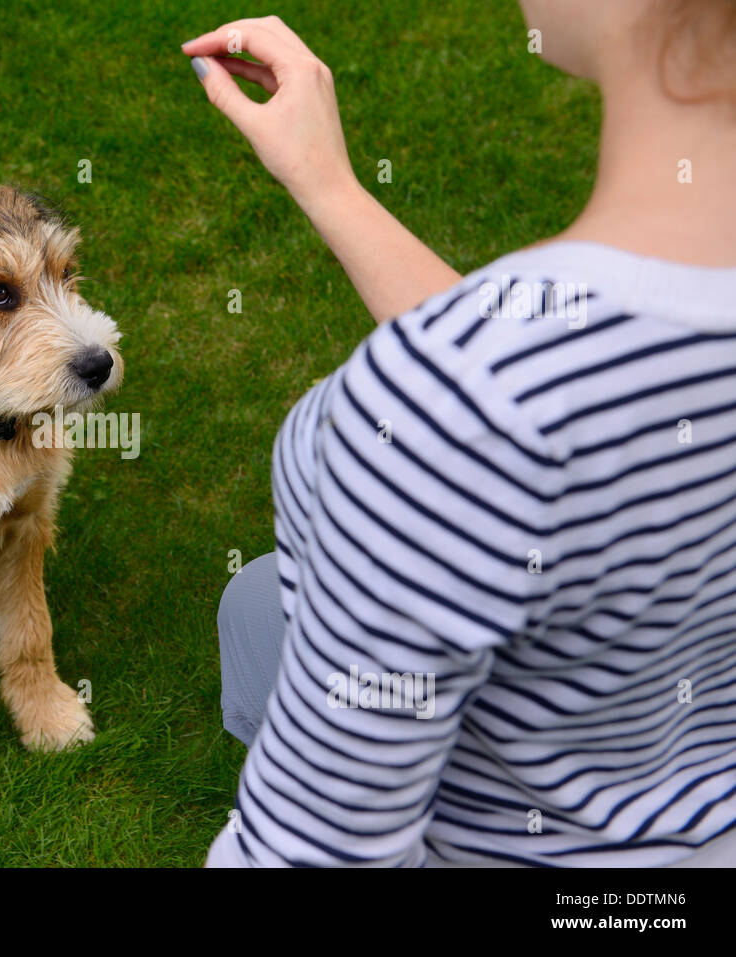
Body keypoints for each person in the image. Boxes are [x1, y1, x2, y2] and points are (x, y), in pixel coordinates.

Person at [184, 3, 736, 866]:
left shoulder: (440, 413)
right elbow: (562, 377)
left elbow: (320, 853)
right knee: (256, 599)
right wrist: (329, 184)